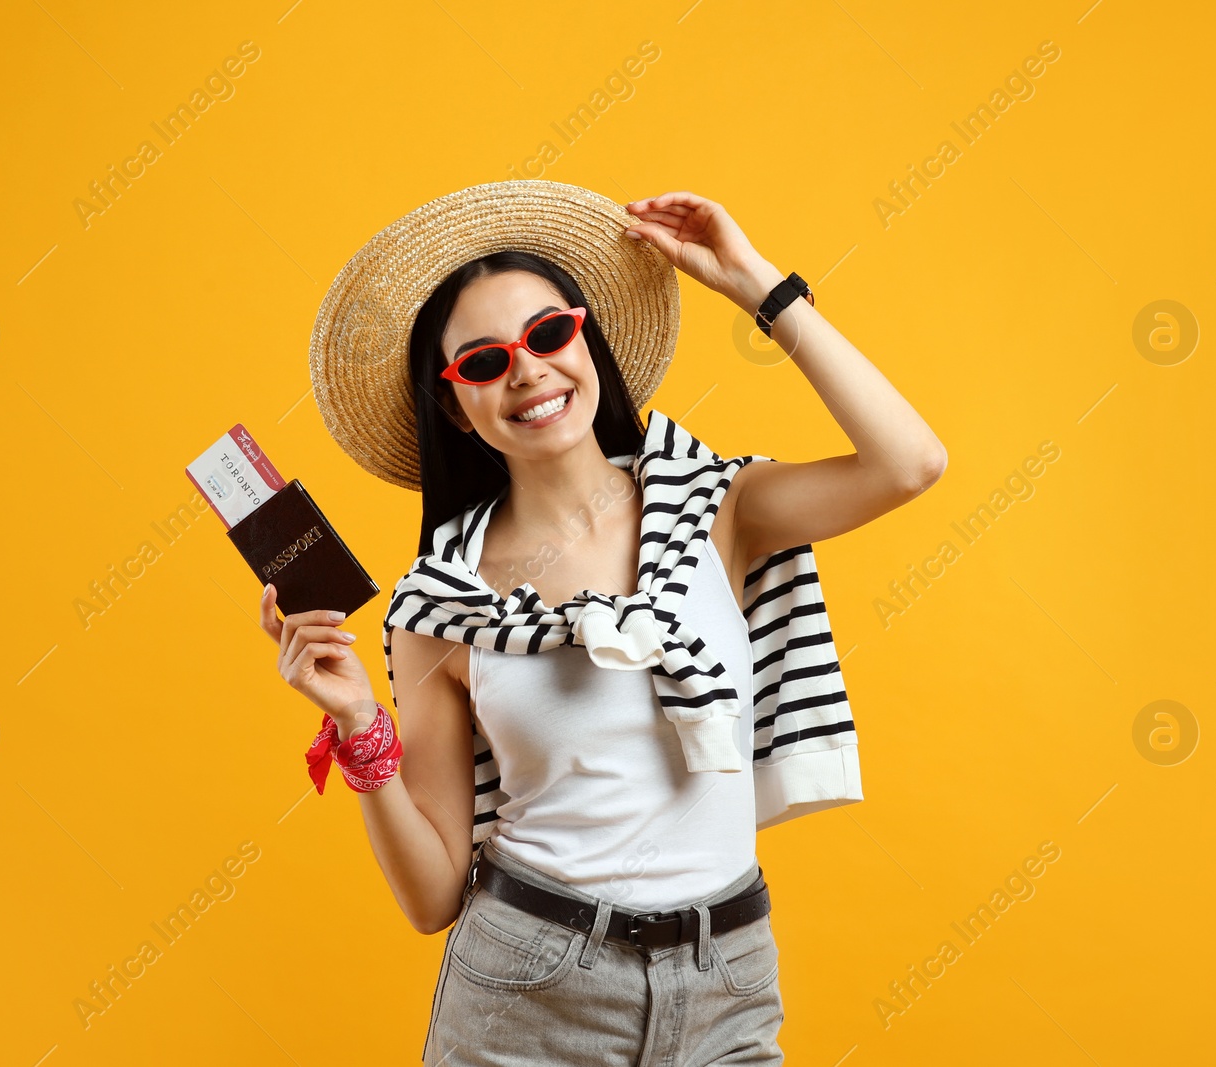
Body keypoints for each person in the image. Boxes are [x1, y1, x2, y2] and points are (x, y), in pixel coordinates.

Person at [260, 180, 947, 1065]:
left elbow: (911, 462)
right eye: (483, 362)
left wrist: (754, 284)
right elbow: (432, 896)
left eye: (549, 334)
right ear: (453, 405)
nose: (529, 370)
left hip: (728, 978)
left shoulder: (713, 505)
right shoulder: (438, 606)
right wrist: (358, 724)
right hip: (527, 991)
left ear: (587, 339)